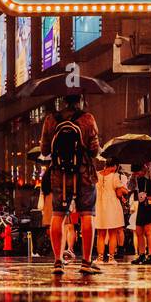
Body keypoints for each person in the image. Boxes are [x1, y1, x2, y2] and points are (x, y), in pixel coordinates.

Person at [41, 91, 101, 275]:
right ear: (81, 101)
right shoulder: (87, 119)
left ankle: (58, 261)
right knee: (86, 215)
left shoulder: (51, 119)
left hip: (59, 175)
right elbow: (94, 150)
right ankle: (86, 262)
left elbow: (44, 150)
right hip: (84, 174)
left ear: (63, 100)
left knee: (58, 215)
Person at [128, 161, 151, 265]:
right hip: (141, 206)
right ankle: (141, 255)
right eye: (135, 173)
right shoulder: (136, 178)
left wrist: (149, 166)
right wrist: (133, 177)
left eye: (138, 172)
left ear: (142, 169)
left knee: (149, 231)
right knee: (138, 231)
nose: (138, 174)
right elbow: (129, 187)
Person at [95, 162, 128, 262]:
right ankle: (111, 258)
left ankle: (100, 258)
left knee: (100, 234)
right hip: (113, 206)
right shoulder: (115, 176)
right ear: (114, 166)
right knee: (113, 233)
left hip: (99, 206)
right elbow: (121, 192)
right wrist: (124, 190)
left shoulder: (97, 174)